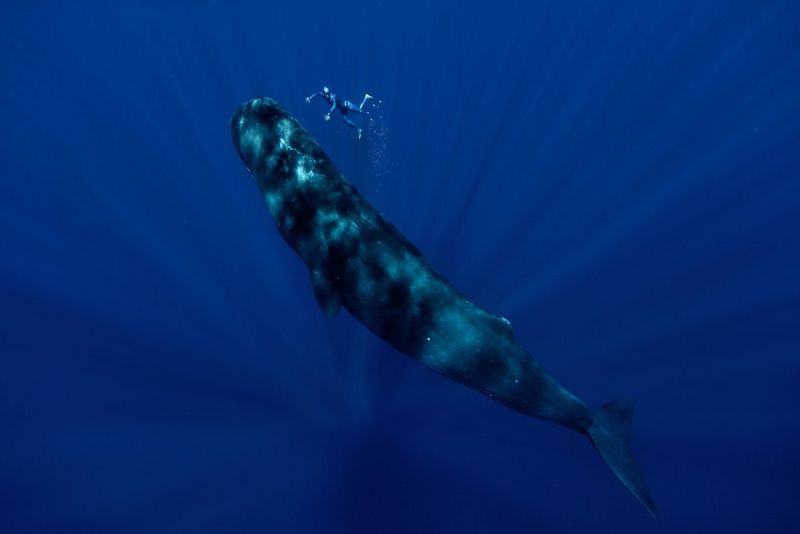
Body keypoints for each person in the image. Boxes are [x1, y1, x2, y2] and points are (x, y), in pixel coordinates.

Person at [305, 86, 373, 139]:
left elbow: (334, 106)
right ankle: (358, 129)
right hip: (342, 108)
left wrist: (329, 114)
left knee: (360, 111)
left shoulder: (333, 97)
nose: (328, 95)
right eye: (326, 94)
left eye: (328, 93)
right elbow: (317, 94)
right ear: (324, 93)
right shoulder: (322, 94)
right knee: (345, 120)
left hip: (347, 105)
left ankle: (366, 98)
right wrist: (310, 98)